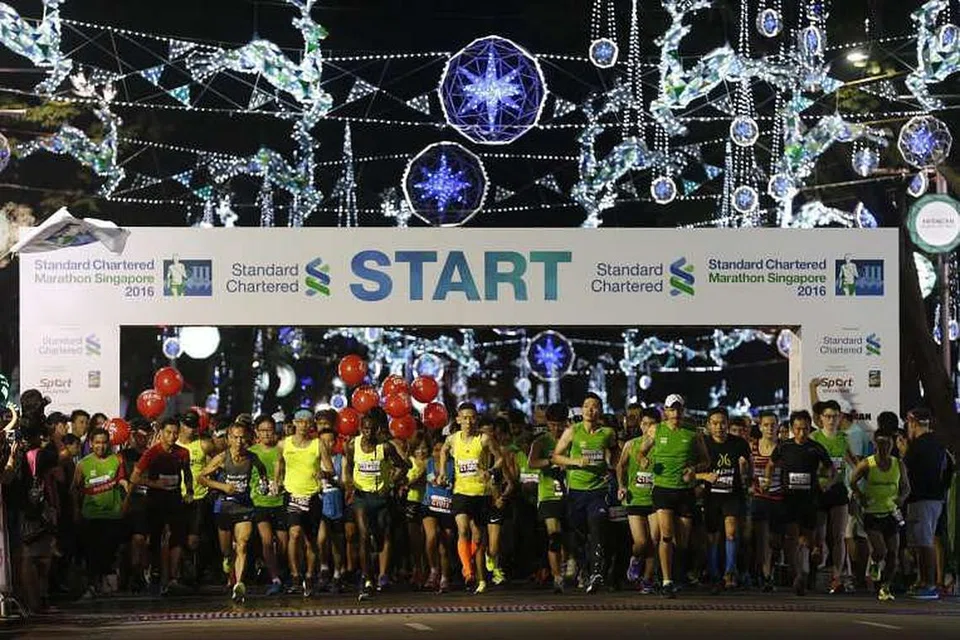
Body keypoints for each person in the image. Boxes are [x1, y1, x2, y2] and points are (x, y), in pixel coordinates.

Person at [638, 394, 709, 598]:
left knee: (682, 541)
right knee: (666, 535)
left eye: (679, 409)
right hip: (662, 489)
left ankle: (676, 576)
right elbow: (641, 452)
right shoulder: (656, 429)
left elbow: (705, 460)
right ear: (666, 412)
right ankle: (667, 580)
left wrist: (693, 469)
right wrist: (643, 460)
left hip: (685, 491)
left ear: (683, 410)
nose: (675, 413)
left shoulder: (693, 433)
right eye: (672, 409)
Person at [552, 392, 618, 594]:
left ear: (601, 410)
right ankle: (583, 568)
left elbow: (615, 453)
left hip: (598, 491)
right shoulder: (573, 431)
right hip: (576, 493)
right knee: (580, 534)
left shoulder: (607, 433)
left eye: (595, 406)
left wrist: (611, 471)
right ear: (582, 409)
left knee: (597, 525)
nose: (591, 409)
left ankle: (597, 573)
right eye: (587, 405)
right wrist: (575, 462)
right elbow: (555, 457)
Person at [197, 423, 270, 604]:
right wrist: (222, 486)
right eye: (235, 437)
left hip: (244, 506)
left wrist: (264, 484)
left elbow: (262, 472)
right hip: (224, 507)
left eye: (242, 438)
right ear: (229, 439)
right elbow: (201, 477)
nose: (239, 441)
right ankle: (228, 563)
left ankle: (239, 584)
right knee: (227, 551)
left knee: (242, 544)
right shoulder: (222, 458)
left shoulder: (252, 457)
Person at [438, 402, 504, 594]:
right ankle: (467, 571)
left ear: (477, 419)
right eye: (464, 418)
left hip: (481, 493)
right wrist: (442, 472)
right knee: (463, 530)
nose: (468, 421)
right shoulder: (452, 439)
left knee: (478, 537)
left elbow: (500, 458)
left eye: (472, 417)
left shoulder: (484, 439)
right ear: (458, 420)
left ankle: (481, 575)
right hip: (461, 491)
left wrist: (490, 471)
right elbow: (443, 451)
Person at [768, 410, 834, 596]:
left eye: (805, 429)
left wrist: (826, 483)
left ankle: (809, 568)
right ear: (791, 429)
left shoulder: (816, 447)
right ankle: (799, 574)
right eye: (798, 429)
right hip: (789, 499)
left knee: (808, 539)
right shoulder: (784, 446)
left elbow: (831, 468)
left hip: (810, 499)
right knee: (793, 537)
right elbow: (771, 464)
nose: (802, 433)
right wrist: (767, 481)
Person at [345, 410, 410, 600]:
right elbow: (348, 467)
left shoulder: (386, 448)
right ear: (360, 429)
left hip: (381, 498)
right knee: (363, 535)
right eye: (365, 429)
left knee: (381, 537)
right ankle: (367, 578)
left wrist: (391, 483)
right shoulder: (352, 445)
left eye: (372, 430)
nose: (368, 433)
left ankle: (378, 565)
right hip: (361, 497)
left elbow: (404, 467)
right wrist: (350, 483)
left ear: (378, 430)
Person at [131, 417, 192, 595]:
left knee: (178, 537)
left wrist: (189, 490)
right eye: (168, 432)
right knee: (154, 539)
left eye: (175, 433)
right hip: (155, 501)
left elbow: (187, 473)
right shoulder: (152, 453)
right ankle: (153, 573)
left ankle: (173, 578)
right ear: (161, 433)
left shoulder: (183, 453)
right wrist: (155, 484)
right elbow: (134, 478)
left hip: (175, 499)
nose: (172, 436)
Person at [275, 409, 333, 596]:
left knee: (311, 541)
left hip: (312, 496)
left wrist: (323, 473)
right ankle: (295, 576)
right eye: (300, 421)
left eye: (307, 422)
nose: (303, 425)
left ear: (312, 425)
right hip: (292, 494)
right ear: (294, 423)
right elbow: (279, 463)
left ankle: (309, 576)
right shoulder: (284, 444)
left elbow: (330, 469)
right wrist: (277, 481)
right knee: (294, 533)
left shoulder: (318, 444)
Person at [849, 424, 910, 602]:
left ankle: (885, 586)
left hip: (891, 513)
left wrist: (901, 499)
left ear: (892, 444)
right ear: (875, 444)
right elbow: (853, 481)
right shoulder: (867, 463)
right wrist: (860, 496)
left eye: (887, 443)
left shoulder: (898, 464)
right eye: (880, 443)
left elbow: (906, 487)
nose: (884, 446)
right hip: (872, 513)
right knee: (881, 550)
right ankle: (875, 562)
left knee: (893, 553)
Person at [902, 407, 954, 600]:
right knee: (922, 541)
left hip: (923, 498)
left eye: (908, 423)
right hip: (935, 498)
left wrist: (903, 452)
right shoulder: (939, 445)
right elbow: (949, 470)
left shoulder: (917, 446)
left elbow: (905, 471)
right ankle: (924, 581)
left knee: (924, 542)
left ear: (913, 423)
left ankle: (930, 584)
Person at [698, 407, 751, 592]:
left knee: (731, 532)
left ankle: (730, 572)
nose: (719, 427)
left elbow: (749, 464)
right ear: (708, 425)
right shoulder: (703, 444)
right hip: (711, 496)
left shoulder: (739, 443)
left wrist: (748, 478)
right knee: (712, 537)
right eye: (715, 423)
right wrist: (705, 476)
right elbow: (690, 471)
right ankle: (713, 573)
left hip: (732, 494)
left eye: (722, 423)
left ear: (728, 424)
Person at [809, 398, 859, 594]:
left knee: (838, 537)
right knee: (819, 538)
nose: (831, 420)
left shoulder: (843, 438)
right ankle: (812, 572)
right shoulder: (814, 438)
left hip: (837, 491)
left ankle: (837, 578)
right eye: (827, 416)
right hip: (818, 492)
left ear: (840, 418)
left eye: (835, 416)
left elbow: (853, 461)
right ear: (821, 418)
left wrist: (855, 486)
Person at [74, 428, 129, 599]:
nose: (101, 446)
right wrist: (76, 511)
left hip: (112, 515)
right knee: (92, 552)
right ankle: (92, 585)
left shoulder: (117, 460)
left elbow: (123, 480)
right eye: (97, 442)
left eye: (104, 442)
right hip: (90, 515)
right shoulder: (83, 464)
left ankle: (107, 585)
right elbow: (75, 489)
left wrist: (126, 491)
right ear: (91, 443)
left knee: (109, 551)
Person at [616, 406, 659, 594]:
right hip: (635, 499)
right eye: (644, 423)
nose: (647, 427)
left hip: (656, 499)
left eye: (651, 424)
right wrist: (622, 486)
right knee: (641, 543)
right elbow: (621, 466)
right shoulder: (631, 444)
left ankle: (648, 579)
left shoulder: (663, 445)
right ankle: (635, 560)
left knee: (655, 540)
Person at [527, 402, 568, 594]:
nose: (557, 429)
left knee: (571, 537)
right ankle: (557, 577)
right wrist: (551, 462)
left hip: (570, 494)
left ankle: (572, 567)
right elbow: (532, 462)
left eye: (560, 424)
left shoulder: (572, 440)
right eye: (553, 424)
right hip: (548, 495)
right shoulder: (541, 442)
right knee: (554, 536)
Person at [177, 411, 216, 585]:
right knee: (178, 537)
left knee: (194, 539)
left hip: (199, 497)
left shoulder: (204, 445)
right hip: (177, 497)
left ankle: (196, 573)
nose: (190, 430)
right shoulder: (173, 443)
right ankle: (181, 572)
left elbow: (216, 463)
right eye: (187, 425)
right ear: (180, 425)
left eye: (193, 426)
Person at [250, 415, 286, 595]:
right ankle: (275, 578)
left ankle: (280, 570)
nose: (266, 434)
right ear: (256, 432)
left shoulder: (281, 450)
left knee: (283, 544)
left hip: (280, 502)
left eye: (269, 430)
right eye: (262, 430)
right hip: (260, 502)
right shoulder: (251, 451)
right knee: (266, 541)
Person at [750, 411, 784, 591]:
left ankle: (770, 569)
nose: (770, 428)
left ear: (778, 426)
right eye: (766, 425)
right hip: (759, 497)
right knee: (762, 539)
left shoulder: (784, 447)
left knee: (775, 541)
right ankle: (765, 576)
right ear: (760, 427)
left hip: (780, 498)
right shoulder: (753, 446)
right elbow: (747, 470)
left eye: (773, 425)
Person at [484, 416, 517, 586]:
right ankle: (480, 574)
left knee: (494, 544)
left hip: (494, 504)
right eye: (483, 434)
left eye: (490, 434)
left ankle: (493, 562)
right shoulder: (470, 457)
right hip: (476, 502)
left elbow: (511, 483)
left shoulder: (499, 459)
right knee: (475, 539)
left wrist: (502, 497)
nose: (487, 438)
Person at [316, 414, 347, 593]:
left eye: (330, 441)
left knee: (337, 541)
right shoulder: (315, 459)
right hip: (320, 501)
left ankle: (337, 574)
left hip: (335, 501)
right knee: (321, 539)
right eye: (323, 441)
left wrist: (331, 478)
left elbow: (344, 483)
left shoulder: (340, 459)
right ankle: (324, 569)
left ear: (335, 442)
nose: (327, 445)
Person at [120, 420, 151, 593]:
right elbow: (121, 476)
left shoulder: (152, 454)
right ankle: (125, 576)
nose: (141, 440)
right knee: (125, 543)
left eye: (145, 436)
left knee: (141, 540)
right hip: (127, 502)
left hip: (147, 503)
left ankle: (138, 573)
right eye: (138, 436)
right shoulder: (124, 455)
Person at [422, 434, 456, 593]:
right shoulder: (427, 463)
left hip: (447, 507)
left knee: (445, 545)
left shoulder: (453, 465)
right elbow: (413, 472)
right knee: (432, 536)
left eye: (442, 450)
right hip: (430, 505)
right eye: (435, 450)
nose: (438, 453)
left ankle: (444, 578)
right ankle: (433, 570)